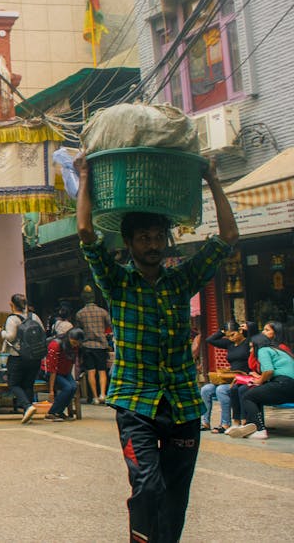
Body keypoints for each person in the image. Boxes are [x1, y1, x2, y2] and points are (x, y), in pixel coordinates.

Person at [75, 153, 237, 543]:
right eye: (143, 238)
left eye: (158, 237)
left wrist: (212, 180)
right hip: (135, 404)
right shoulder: (116, 283)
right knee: (149, 486)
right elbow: (85, 233)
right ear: (128, 243)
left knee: (177, 496)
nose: (152, 245)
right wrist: (84, 178)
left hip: (181, 403)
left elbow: (228, 238)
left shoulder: (182, 280)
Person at [0, 293, 44, 424]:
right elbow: (42, 333)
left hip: (18, 357)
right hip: (35, 357)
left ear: (11, 304)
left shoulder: (12, 319)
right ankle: (27, 412)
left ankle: (27, 406)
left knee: (13, 384)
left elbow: (10, 337)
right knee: (28, 385)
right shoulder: (34, 316)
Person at [228, 334, 294, 440]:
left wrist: (259, 380)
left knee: (248, 396)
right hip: (289, 387)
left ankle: (259, 429)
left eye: (251, 347)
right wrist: (261, 377)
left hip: (282, 384)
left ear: (257, 345)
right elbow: (278, 371)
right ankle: (252, 424)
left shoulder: (263, 350)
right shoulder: (280, 351)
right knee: (256, 395)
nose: (250, 351)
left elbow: (268, 371)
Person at [201, 322, 248, 433]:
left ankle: (225, 424)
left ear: (240, 331)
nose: (231, 338)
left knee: (221, 390)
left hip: (242, 378)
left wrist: (247, 330)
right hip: (229, 377)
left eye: (233, 334)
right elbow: (209, 340)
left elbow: (255, 337)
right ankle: (205, 422)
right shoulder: (229, 344)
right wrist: (221, 331)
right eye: (228, 336)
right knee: (206, 389)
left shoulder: (248, 343)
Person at [75, 286, 112, 404]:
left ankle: (95, 397)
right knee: (102, 371)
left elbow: (79, 330)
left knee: (90, 371)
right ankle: (103, 394)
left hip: (87, 346)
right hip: (101, 345)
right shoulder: (103, 312)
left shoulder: (80, 314)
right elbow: (110, 325)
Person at [43, 327, 83, 421]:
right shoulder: (55, 345)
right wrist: (51, 390)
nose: (75, 345)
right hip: (50, 372)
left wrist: (71, 378)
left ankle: (59, 411)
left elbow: (71, 363)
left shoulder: (76, 346)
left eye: (77, 343)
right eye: (73, 343)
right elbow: (52, 368)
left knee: (73, 386)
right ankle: (51, 412)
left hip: (64, 372)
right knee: (68, 387)